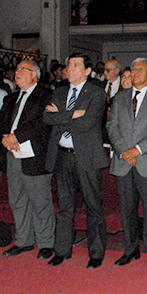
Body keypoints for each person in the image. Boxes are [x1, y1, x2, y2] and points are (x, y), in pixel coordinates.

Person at [43, 53, 109, 269]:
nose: (69, 69)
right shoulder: (60, 91)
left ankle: (96, 253)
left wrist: (62, 115)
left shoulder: (97, 93)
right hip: (62, 155)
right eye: (69, 65)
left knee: (93, 205)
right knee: (64, 206)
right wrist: (73, 113)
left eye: (75, 65)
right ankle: (62, 250)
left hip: (86, 156)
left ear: (87, 71)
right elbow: (47, 118)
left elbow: (88, 122)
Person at [107, 58, 147, 270]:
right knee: (127, 209)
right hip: (123, 161)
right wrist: (125, 151)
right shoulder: (120, 97)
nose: (135, 72)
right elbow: (111, 126)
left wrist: (137, 150)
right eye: (133, 69)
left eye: (141, 69)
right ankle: (130, 249)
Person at [0, 60, 55, 261]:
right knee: (17, 199)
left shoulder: (46, 95)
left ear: (34, 74)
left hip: (35, 156)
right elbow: (1, 121)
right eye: (17, 69)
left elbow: (43, 122)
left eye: (23, 69)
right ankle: (24, 241)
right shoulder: (12, 98)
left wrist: (17, 137)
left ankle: (46, 243)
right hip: (12, 153)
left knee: (40, 202)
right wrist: (7, 138)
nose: (17, 72)